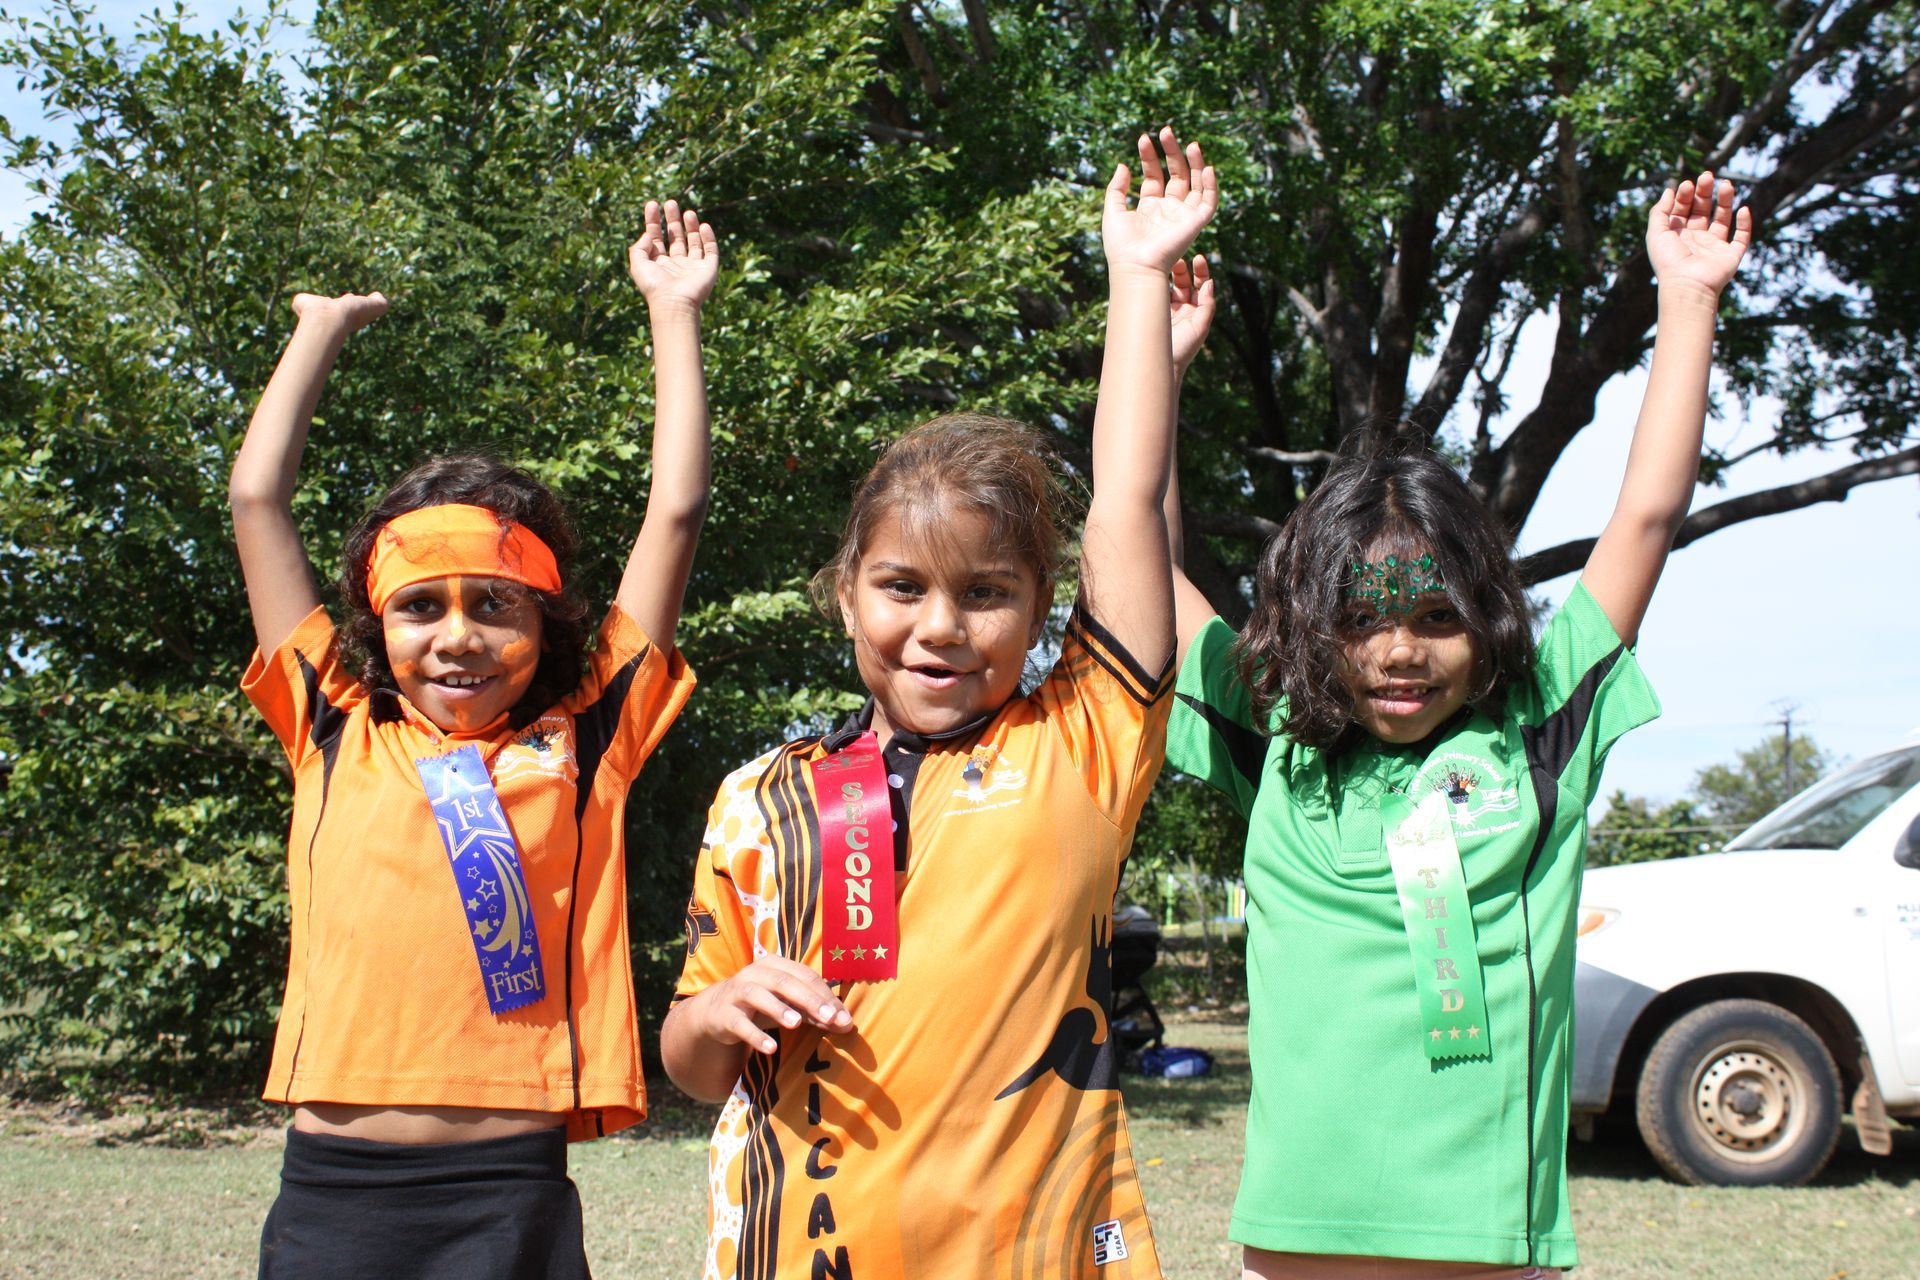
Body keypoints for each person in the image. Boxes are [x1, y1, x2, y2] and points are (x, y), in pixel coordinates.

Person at [1162, 176, 1752, 1279]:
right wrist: (1162, 358)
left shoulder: (1542, 724)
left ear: (1486, 620)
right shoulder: (1277, 739)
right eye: (1361, 619)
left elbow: (1646, 516)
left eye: (1437, 617)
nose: (1399, 651)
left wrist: (1686, 299)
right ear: (1309, 631)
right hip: (1297, 1239)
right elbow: (1145, 562)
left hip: (1487, 1244)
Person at [662, 127, 1216, 1279]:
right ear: (846, 594)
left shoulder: (1087, 738)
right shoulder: (758, 799)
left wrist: (1137, 275)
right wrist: (720, 1015)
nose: (941, 626)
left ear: (1041, 605)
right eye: (902, 586)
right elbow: (691, 1056)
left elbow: (1126, 500)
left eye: (988, 593)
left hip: (1044, 1251)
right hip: (800, 1248)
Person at [228, 199, 720, 1278]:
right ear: (375, 623)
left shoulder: (590, 733)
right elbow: (257, 497)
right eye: (421, 607)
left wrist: (673, 311)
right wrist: (316, 328)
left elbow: (675, 511)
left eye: (495, 605)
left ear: (546, 623)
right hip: (332, 1193)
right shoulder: (332, 721)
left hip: (509, 1196)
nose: (457, 635)